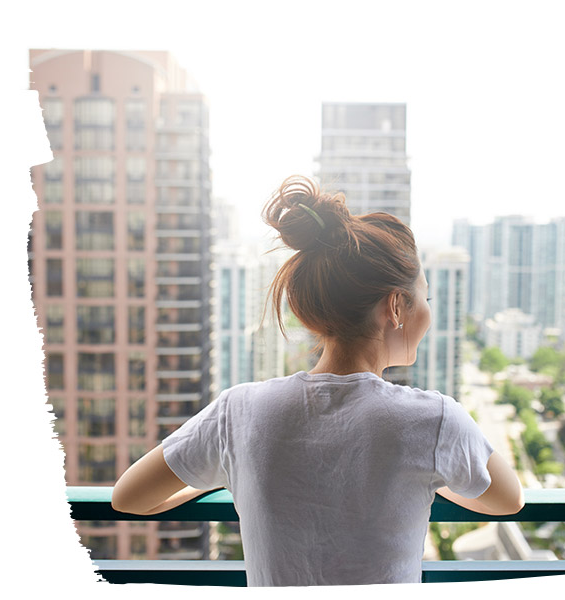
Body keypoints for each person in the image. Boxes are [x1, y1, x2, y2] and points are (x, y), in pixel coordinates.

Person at [111, 175, 524, 586]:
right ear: (396, 306)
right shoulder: (434, 420)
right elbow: (507, 500)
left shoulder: (240, 411)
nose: (429, 313)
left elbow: (129, 497)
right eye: (425, 298)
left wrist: (227, 476)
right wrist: (433, 478)